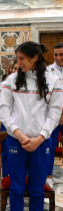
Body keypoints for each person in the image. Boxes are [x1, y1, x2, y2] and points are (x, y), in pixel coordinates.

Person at [0, 42, 62, 210]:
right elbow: (3, 110)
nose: (18, 63)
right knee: (16, 188)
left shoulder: (53, 81)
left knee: (36, 190)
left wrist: (40, 138)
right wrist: (19, 134)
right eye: (17, 59)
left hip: (41, 143)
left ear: (35, 58)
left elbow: (54, 113)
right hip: (16, 141)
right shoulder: (10, 81)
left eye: (22, 58)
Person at [0, 59, 18, 178]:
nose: (14, 71)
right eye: (12, 68)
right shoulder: (4, 84)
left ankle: (21, 175)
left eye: (16, 68)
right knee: (5, 150)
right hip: (6, 121)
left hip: (20, 122)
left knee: (20, 152)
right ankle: (5, 174)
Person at [46, 42, 63, 188]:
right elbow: (47, 94)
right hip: (54, 115)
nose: (58, 58)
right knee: (50, 146)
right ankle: (48, 175)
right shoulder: (48, 70)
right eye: (56, 54)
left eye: (61, 54)